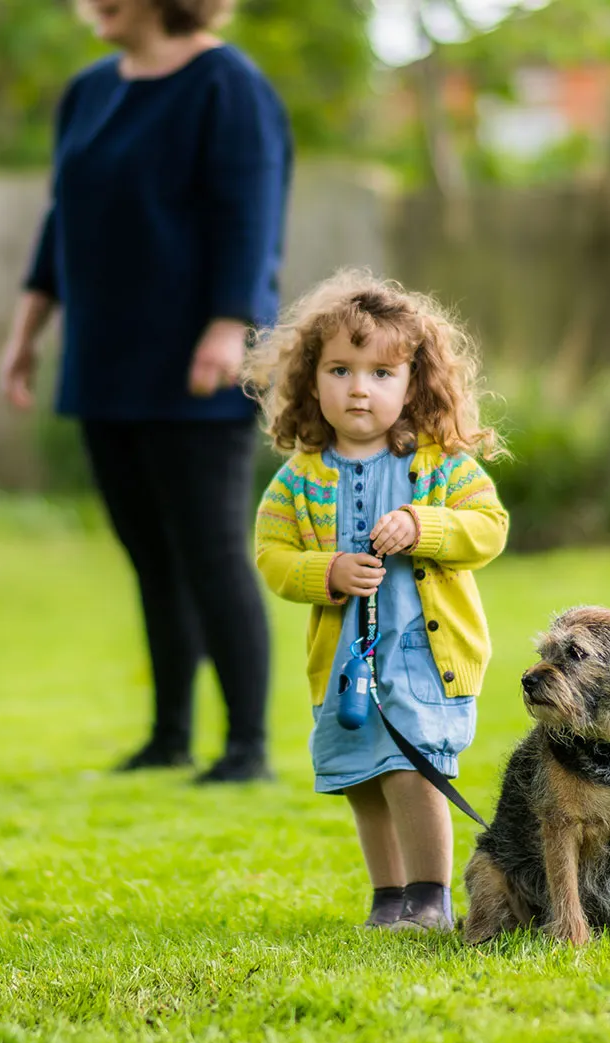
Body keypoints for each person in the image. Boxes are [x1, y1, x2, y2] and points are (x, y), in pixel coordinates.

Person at [0, 0, 292, 784]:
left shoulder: (228, 85)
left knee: (208, 551)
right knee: (149, 556)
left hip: (199, 360)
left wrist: (230, 327)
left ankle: (248, 746)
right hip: (104, 360)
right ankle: (169, 736)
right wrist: (27, 332)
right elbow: (60, 225)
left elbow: (251, 220)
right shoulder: (87, 92)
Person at [247, 270, 510, 932]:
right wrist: (326, 571)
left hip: (424, 656)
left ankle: (430, 896)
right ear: (312, 380)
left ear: (413, 383)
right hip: (346, 667)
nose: (358, 387)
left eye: (380, 373)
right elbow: (272, 558)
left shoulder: (441, 465)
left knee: (411, 770)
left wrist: (427, 526)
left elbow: (490, 527)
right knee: (363, 778)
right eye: (340, 369)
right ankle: (388, 897)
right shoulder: (299, 480)